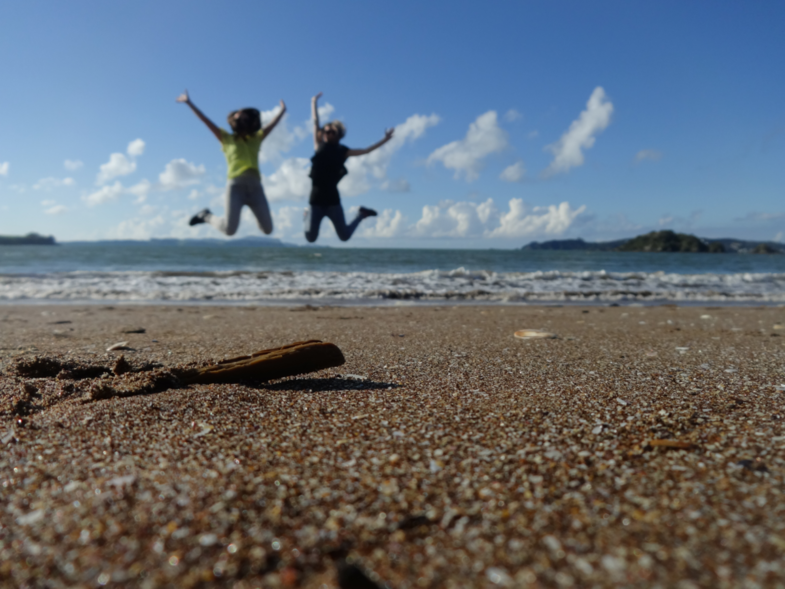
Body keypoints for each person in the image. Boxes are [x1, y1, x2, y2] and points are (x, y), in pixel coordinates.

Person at [176, 90, 286, 236]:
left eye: (245, 115)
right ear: (233, 119)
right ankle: (206, 216)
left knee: (268, 229)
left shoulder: (257, 138)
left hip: (255, 188)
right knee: (229, 230)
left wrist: (282, 110)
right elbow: (205, 120)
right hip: (236, 187)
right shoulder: (226, 138)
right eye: (239, 114)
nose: (242, 116)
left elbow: (273, 124)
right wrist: (189, 103)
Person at [305, 92, 394, 243]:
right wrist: (313, 102)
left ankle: (361, 215)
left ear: (339, 134)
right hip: (316, 200)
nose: (327, 133)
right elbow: (315, 122)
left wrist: (385, 140)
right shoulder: (318, 145)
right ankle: (306, 216)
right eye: (325, 131)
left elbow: (367, 150)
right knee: (310, 238)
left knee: (344, 236)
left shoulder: (343, 151)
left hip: (333, 200)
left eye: (331, 131)